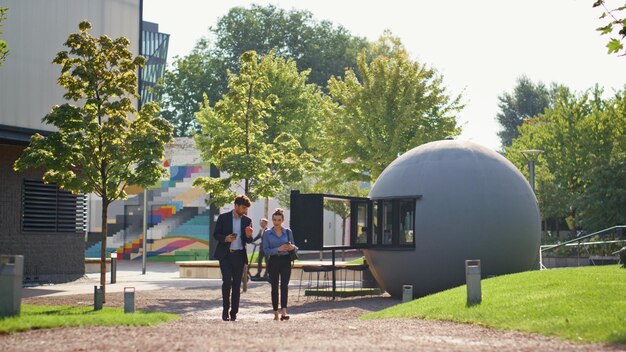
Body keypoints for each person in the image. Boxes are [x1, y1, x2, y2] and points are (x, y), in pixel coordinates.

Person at [213, 195, 254, 321]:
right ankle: (225, 309)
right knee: (227, 282)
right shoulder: (223, 217)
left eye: (246, 209)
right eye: (243, 208)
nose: (245, 211)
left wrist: (248, 235)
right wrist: (226, 238)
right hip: (225, 255)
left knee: (236, 284)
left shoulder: (247, 220)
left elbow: (249, 240)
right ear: (236, 206)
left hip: (239, 256)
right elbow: (216, 234)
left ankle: (234, 312)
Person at [262, 208, 298, 321]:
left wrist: (292, 247)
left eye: (278, 220)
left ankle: (284, 312)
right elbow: (266, 250)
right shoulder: (267, 233)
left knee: (284, 286)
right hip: (274, 261)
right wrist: (278, 249)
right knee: (274, 287)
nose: (276, 222)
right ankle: (275, 313)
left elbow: (296, 247)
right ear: (272, 220)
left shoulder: (288, 232)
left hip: (286, 260)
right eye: (274, 220)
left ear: (283, 220)